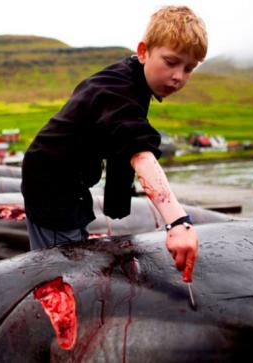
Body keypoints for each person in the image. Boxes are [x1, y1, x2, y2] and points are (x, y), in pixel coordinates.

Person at [22, 5, 207, 282]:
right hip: (51, 184)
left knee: (75, 235)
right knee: (63, 266)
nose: (178, 76)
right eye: (170, 62)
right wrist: (178, 222)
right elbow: (139, 153)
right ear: (143, 51)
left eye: (189, 68)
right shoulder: (118, 91)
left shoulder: (131, 77)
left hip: (69, 180)